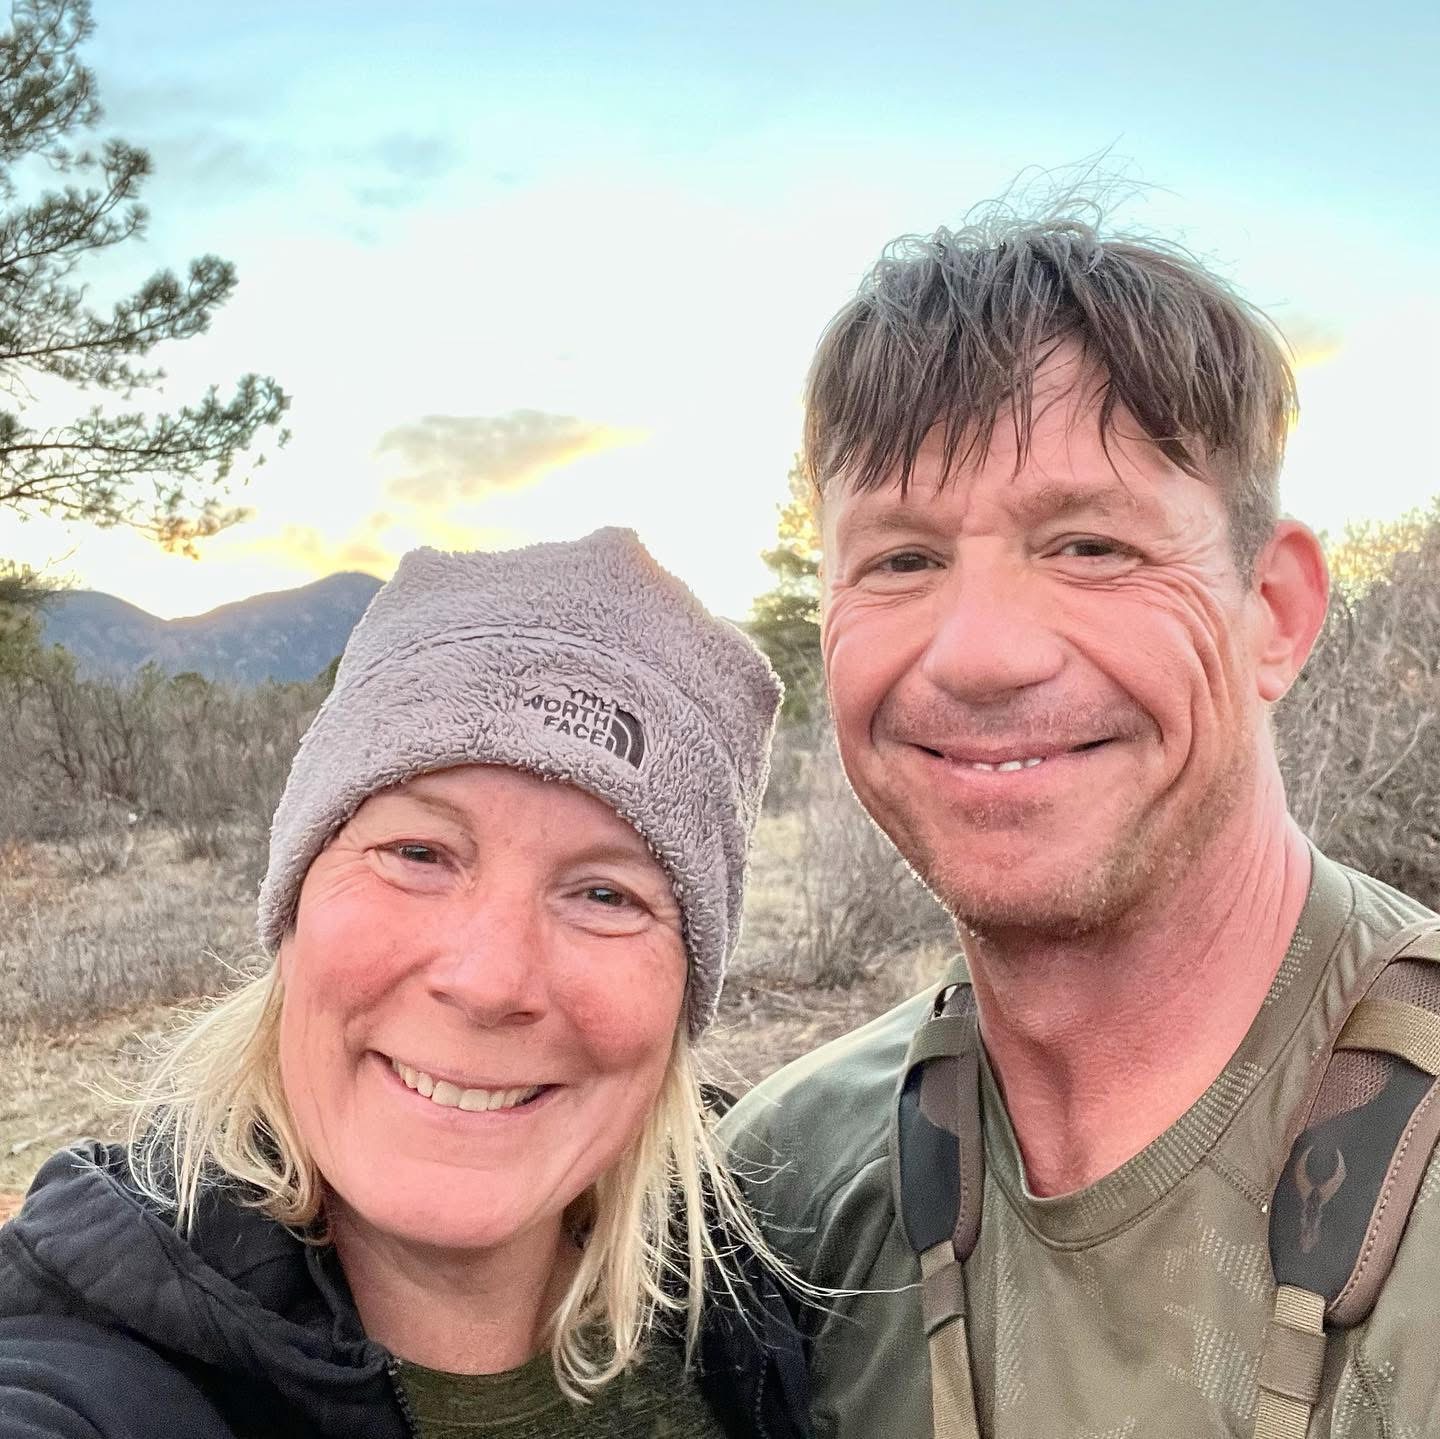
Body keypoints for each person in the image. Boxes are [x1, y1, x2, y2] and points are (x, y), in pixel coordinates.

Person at [719, 207, 1440, 1437]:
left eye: (1090, 545)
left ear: (1273, 608)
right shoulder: (785, 1195)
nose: (981, 652)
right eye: (901, 559)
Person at [0, 529, 811, 1439]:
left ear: (685, 992)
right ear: (294, 905)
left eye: (605, 894)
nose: (489, 980)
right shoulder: (95, 1370)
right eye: (418, 852)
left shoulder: (756, 1283)